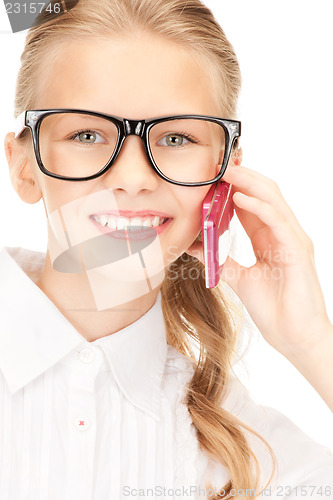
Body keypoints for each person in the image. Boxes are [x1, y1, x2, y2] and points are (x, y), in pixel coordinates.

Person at [1, 0, 333, 498]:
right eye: (86, 134)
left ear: (224, 176)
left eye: (177, 137)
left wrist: (311, 341)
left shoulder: (247, 452)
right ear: (25, 168)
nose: (134, 178)